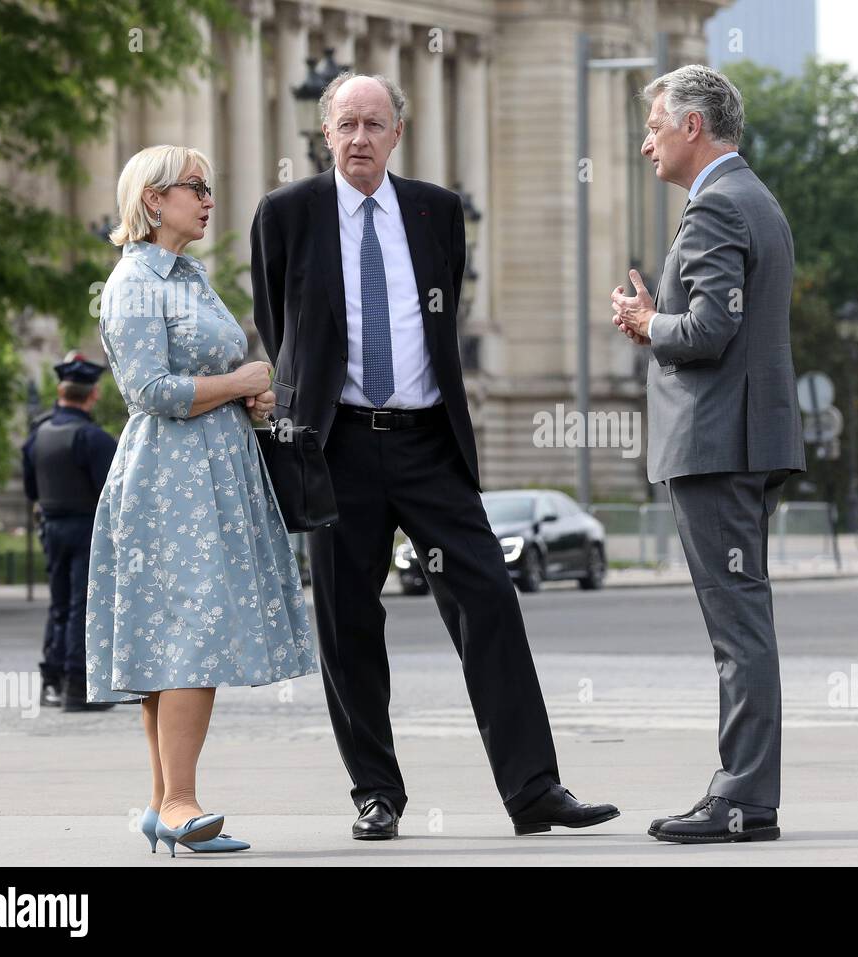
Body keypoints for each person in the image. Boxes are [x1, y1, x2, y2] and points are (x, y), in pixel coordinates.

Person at [250, 73, 617, 840]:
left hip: (428, 443)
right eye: (345, 123)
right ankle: (375, 793)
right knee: (348, 622)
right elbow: (276, 321)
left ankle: (534, 788)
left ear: (397, 134)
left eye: (373, 124)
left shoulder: (438, 212)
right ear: (325, 134)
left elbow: (445, 308)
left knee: (489, 600)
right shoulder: (287, 215)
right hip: (336, 445)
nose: (358, 137)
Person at [86, 144, 318, 856]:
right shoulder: (134, 282)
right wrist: (241, 376)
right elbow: (149, 391)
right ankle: (180, 799)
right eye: (194, 187)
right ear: (152, 200)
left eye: (209, 186)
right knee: (189, 637)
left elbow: (208, 374)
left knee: (179, 635)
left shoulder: (188, 276)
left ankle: (163, 803)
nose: (208, 198)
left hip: (211, 465)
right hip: (170, 476)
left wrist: (251, 394)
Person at [612, 64, 806, 843]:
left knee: (738, 629)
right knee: (743, 622)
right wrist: (666, 318)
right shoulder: (752, 198)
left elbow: (708, 333)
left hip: (717, 447)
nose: (646, 143)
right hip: (744, 440)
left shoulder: (717, 208)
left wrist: (649, 324)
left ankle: (743, 798)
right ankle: (744, 791)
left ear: (694, 126)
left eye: (655, 127)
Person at [22, 353, 118, 711]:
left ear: (61, 391)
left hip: (51, 527)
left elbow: (31, 490)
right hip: (86, 528)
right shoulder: (94, 438)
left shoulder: (37, 436)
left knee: (59, 605)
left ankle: (52, 682)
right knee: (84, 606)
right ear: (92, 395)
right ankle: (78, 687)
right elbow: (113, 492)